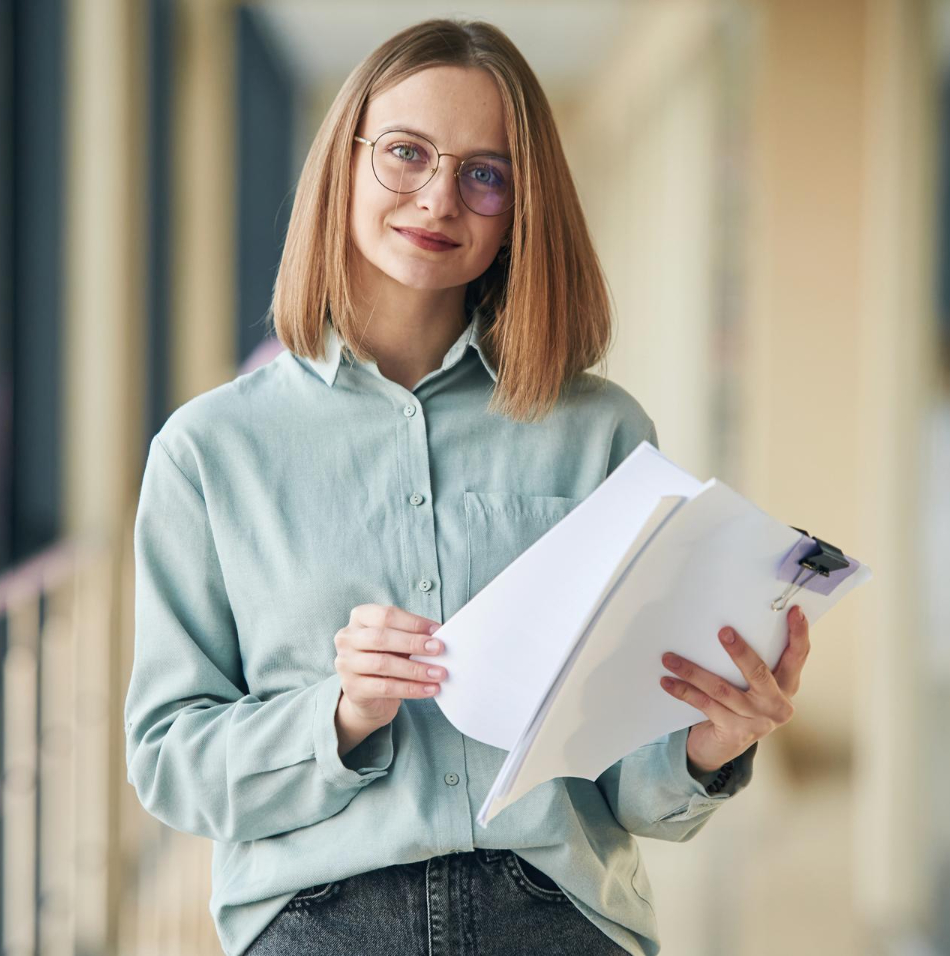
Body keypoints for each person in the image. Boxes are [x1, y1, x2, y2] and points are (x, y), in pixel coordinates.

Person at [124, 17, 811, 956]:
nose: (439, 198)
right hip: (320, 918)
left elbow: (629, 784)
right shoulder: (209, 452)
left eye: (484, 173)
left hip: (557, 913)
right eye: (406, 154)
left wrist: (708, 746)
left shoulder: (601, 433)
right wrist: (339, 712)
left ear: (520, 208)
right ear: (344, 164)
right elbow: (169, 761)